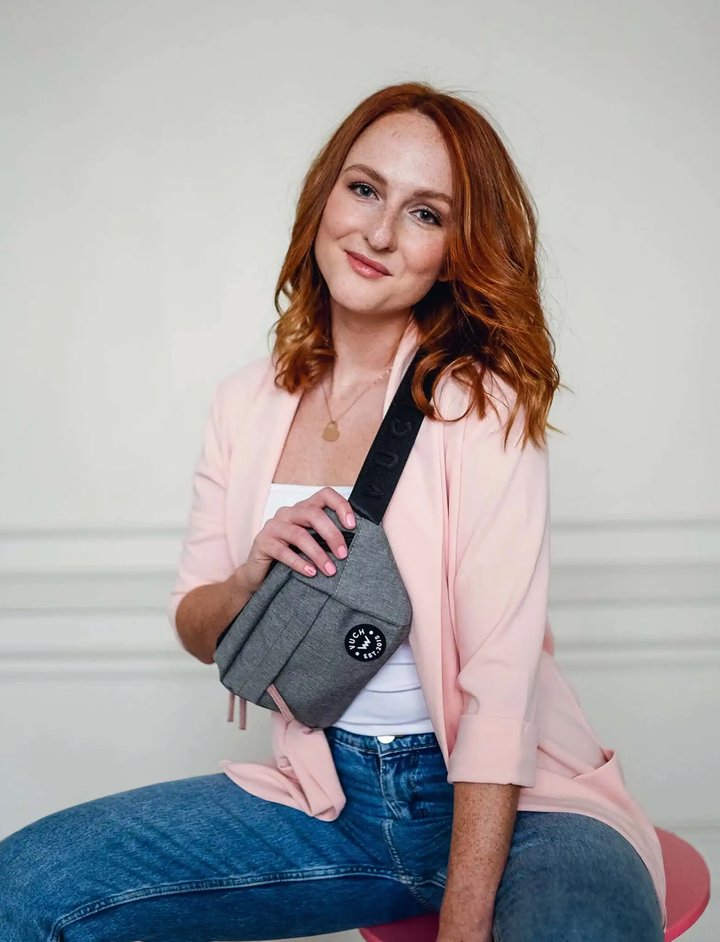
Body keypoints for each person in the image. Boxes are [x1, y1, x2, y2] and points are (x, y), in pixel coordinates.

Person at [0, 82, 666, 942]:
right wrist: (251, 576)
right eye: (364, 189)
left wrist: (464, 921)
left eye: (425, 214)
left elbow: (501, 687)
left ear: (454, 254)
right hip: (327, 799)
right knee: (23, 889)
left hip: (527, 804)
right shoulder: (245, 404)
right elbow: (196, 624)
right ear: (326, 197)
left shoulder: (479, 403)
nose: (379, 233)